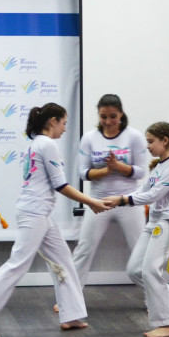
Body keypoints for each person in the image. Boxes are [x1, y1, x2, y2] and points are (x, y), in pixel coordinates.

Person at [0, 103, 111, 337]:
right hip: (34, 213)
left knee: (63, 260)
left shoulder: (36, 144)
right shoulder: (47, 144)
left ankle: (71, 315)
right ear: (53, 121)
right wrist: (91, 201)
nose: (65, 129)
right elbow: (61, 185)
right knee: (17, 264)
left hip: (39, 213)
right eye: (64, 123)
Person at [55, 95, 147, 312]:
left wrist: (119, 167)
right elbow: (83, 173)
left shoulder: (134, 137)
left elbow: (141, 172)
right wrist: (107, 170)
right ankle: (69, 299)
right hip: (98, 201)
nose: (108, 121)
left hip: (128, 201)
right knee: (84, 249)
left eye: (113, 116)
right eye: (103, 117)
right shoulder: (90, 138)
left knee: (141, 251)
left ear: (121, 114)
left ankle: (155, 299)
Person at [104, 122, 169, 337]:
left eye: (151, 142)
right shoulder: (159, 166)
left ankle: (167, 324)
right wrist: (117, 199)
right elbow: (143, 191)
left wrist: (122, 200)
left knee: (150, 270)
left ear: (165, 141)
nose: (148, 146)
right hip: (155, 222)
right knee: (134, 269)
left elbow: (154, 195)